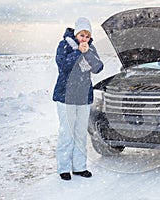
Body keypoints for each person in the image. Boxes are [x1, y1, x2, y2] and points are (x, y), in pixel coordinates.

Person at [52, 17, 104, 181]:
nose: (85, 39)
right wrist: (78, 52)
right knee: (67, 133)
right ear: (76, 34)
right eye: (82, 35)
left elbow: (98, 68)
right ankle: (64, 168)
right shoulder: (65, 46)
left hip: (83, 98)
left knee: (80, 134)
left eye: (87, 36)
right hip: (65, 97)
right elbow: (64, 66)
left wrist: (87, 52)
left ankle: (80, 167)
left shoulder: (90, 48)